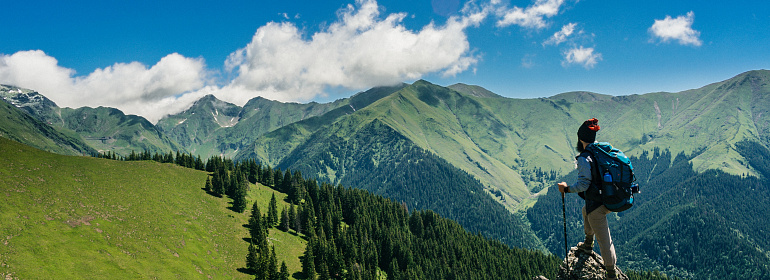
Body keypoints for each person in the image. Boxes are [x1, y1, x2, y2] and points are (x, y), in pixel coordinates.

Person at [557, 118, 618, 280]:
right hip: (609, 196)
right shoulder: (601, 150)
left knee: (604, 238)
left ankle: (611, 273)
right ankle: (588, 243)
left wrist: (566, 188)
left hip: (598, 203)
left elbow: (584, 184)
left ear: (580, 139)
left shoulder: (585, 157)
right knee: (586, 211)